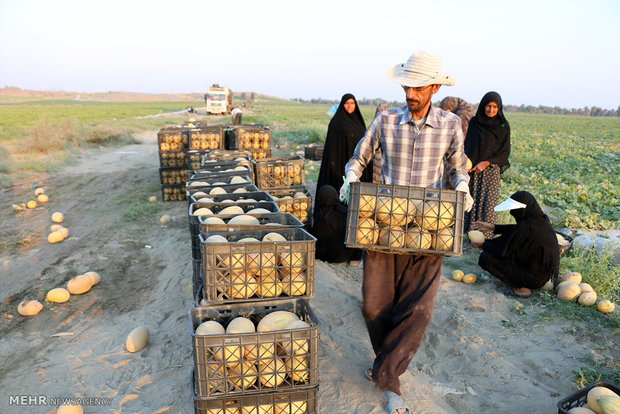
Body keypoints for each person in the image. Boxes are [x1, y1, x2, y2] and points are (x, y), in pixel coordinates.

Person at [340, 51, 473, 414]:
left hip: (429, 229)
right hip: (384, 225)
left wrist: (462, 186)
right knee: (373, 306)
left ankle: (388, 380)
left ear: (433, 87)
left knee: (418, 311)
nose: (410, 92)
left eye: (418, 86)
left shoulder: (450, 125)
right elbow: (360, 156)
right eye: (406, 85)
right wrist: (351, 176)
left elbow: (458, 167)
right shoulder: (385, 120)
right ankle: (386, 366)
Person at [313, 93, 371, 267]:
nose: (349, 106)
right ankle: (335, 248)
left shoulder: (360, 124)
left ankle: (353, 251)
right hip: (338, 174)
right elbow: (331, 150)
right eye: (346, 103)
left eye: (352, 103)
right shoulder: (336, 123)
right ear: (342, 105)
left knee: (354, 211)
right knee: (335, 212)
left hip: (355, 173)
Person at [471, 191, 560, 297]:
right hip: (543, 273)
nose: (512, 212)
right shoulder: (540, 220)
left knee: (486, 258)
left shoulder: (527, 227)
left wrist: (483, 244)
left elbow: (502, 250)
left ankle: (522, 288)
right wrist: (492, 227)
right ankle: (523, 282)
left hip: (534, 278)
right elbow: (516, 230)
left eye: (515, 209)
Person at [464, 91, 511, 238]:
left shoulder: (503, 126)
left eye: (495, 107)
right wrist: (468, 164)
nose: (491, 110)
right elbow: (468, 146)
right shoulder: (474, 122)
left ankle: (486, 238)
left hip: (491, 170)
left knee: (488, 206)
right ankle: (470, 237)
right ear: (483, 106)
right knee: (471, 204)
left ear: (499, 108)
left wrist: (486, 162)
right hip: (473, 170)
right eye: (488, 106)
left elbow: (504, 152)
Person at [312, 185, 362, 263]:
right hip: (345, 254)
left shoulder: (321, 216)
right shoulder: (345, 212)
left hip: (328, 255)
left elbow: (318, 240)